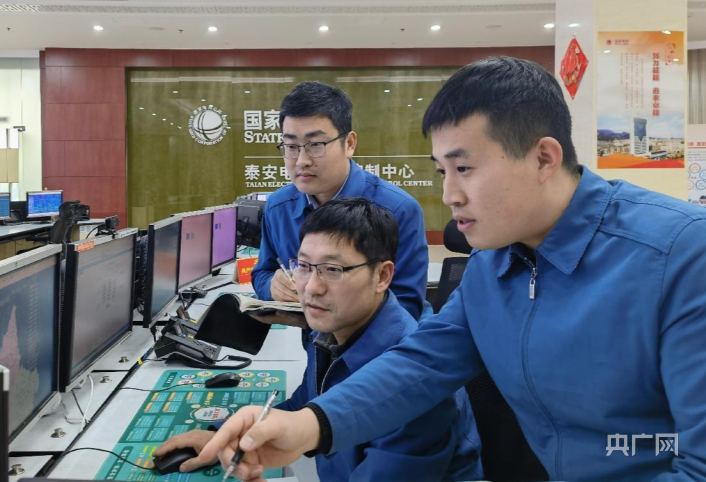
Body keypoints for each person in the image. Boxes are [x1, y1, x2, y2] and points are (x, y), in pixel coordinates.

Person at [201, 57, 706, 482]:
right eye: (442, 171)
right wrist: (311, 425)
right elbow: (424, 362)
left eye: (464, 169)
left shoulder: (682, 256)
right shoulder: (495, 262)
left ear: (543, 158)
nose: (449, 195)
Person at [154, 198, 482, 481]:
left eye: (332, 270)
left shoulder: (415, 387)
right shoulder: (329, 331)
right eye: (303, 266)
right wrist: (226, 436)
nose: (311, 287)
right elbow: (304, 406)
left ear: (382, 276)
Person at [252, 81, 431, 322]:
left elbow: (407, 304)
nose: (302, 160)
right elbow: (262, 273)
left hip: (378, 343)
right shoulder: (278, 207)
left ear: (349, 144)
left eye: (316, 145)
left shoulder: (398, 209)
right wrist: (272, 286)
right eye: (291, 146)